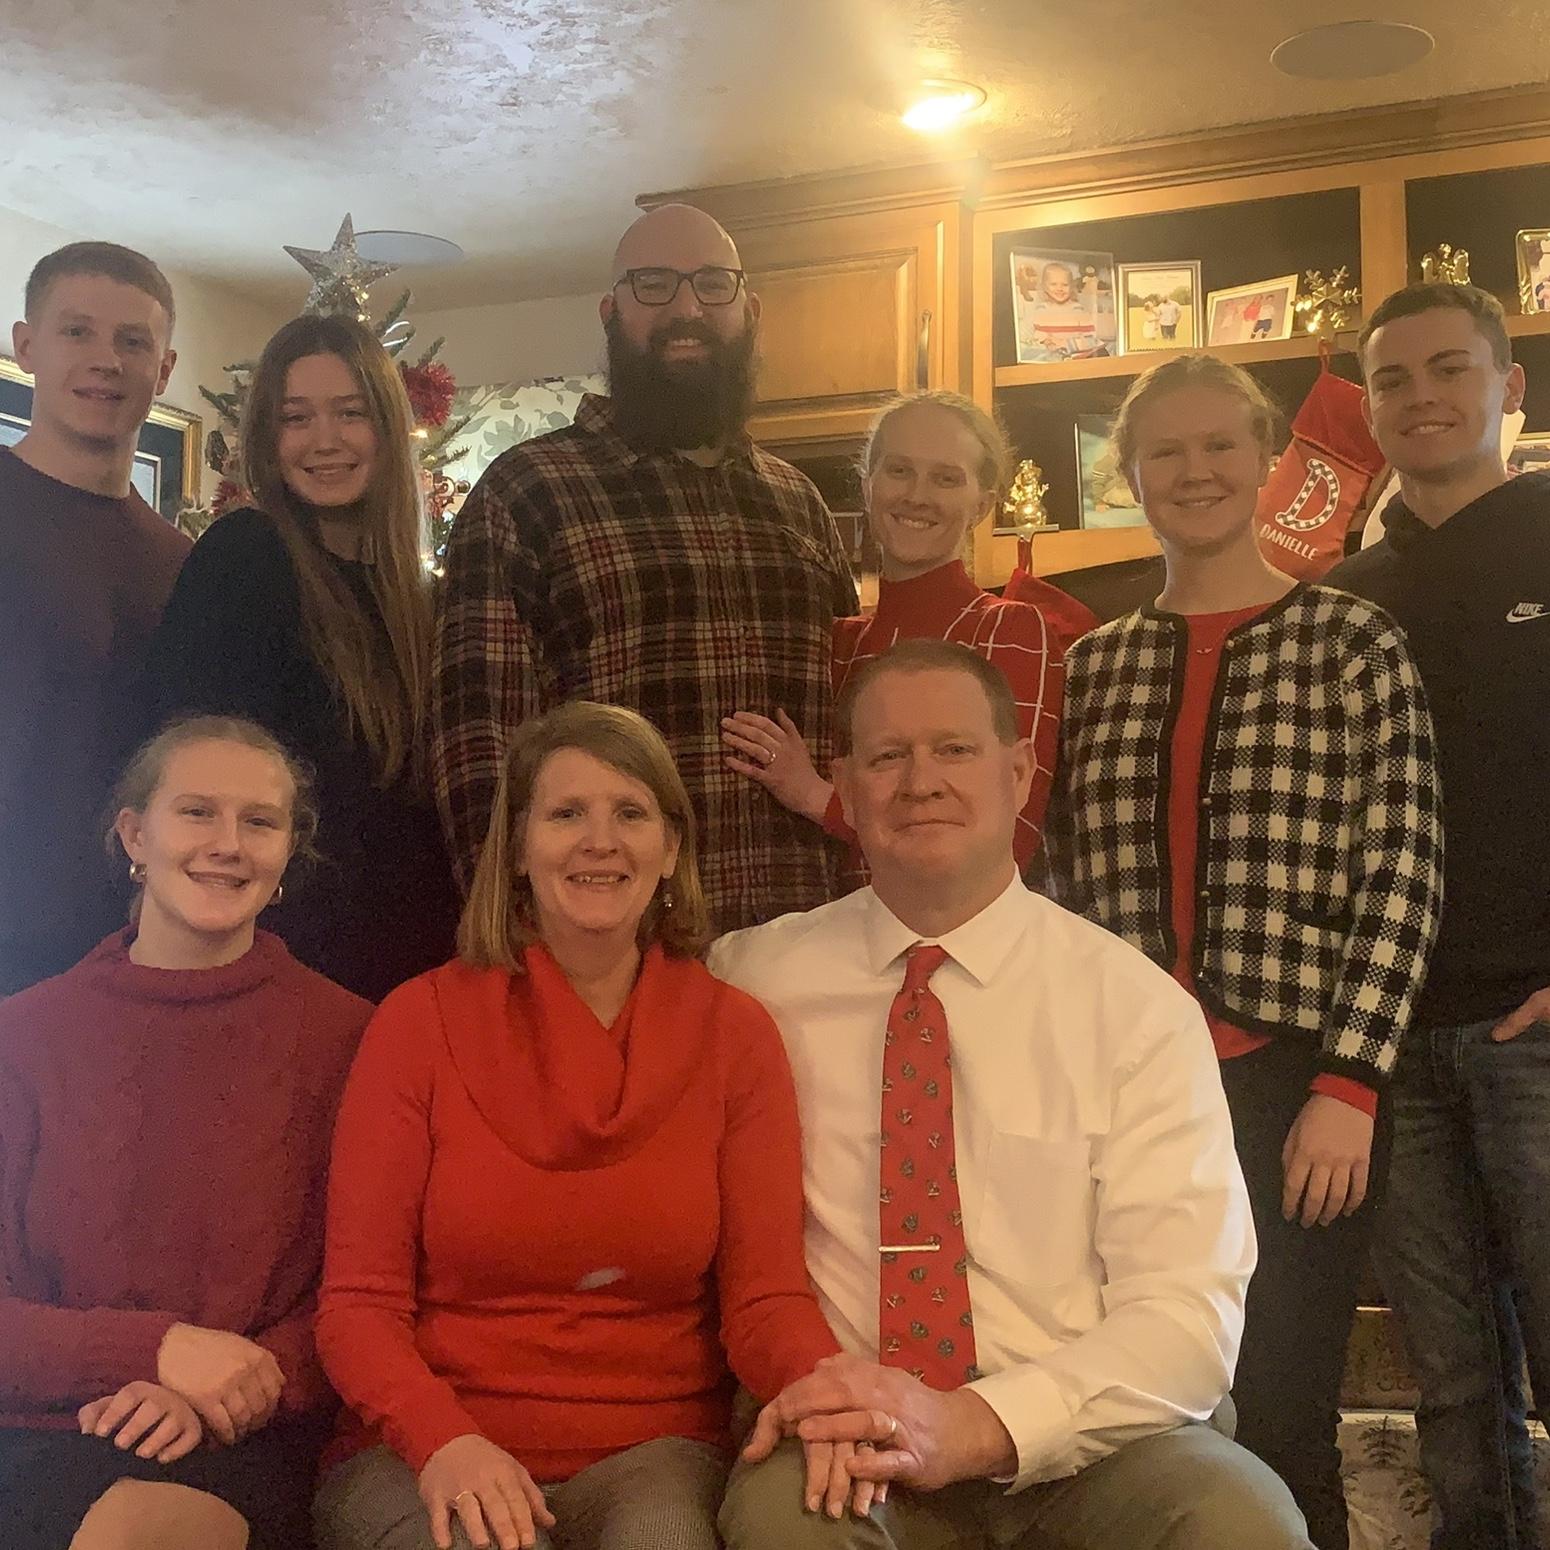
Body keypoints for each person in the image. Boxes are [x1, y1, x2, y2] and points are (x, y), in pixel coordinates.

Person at [710, 638, 1313, 1550]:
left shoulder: (1134, 1009)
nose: (921, 782)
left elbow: (1188, 1315)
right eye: (887, 756)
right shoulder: (752, 981)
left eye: (954, 749)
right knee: (785, 1523)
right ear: (846, 786)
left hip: (1088, 1445)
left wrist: (978, 1426)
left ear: (1020, 772)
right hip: (850, 1438)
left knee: (1242, 1522)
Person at [1036, 354, 1442, 1550]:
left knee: (1280, 1403)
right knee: (1127, 1410)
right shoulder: (1091, 664)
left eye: (1219, 443)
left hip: (1292, 1086)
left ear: (1266, 458)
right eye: (1164, 450)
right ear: (1129, 475)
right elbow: (1056, 879)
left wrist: (1349, 1081)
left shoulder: (1351, 639)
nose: (1194, 470)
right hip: (1122, 1092)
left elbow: (1402, 868)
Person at [315, 701, 846, 1550]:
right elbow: (357, 1307)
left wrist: (825, 1387)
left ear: (670, 850)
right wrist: (444, 1440)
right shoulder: (417, 1023)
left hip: (654, 1451)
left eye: (630, 813)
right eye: (566, 814)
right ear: (518, 849)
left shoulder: (736, 1034)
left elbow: (765, 1300)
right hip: (425, 1447)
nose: (601, 841)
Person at [430, 203, 858, 935]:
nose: (687, 308)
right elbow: (480, 756)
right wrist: (529, 944)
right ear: (611, 312)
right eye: (654, 284)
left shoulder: (800, 503)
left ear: (749, 310)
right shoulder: (525, 493)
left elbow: (852, 730)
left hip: (810, 941)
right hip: (618, 954)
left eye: (713, 284)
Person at [0, 716, 371, 1550]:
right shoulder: (21, 1038)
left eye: (260, 821)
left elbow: (365, 1297)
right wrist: (155, 1350)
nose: (227, 844)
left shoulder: (352, 1039)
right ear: (135, 834)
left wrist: (229, 1391)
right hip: (38, 1422)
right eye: (197, 812)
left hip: (244, 1436)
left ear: (288, 853)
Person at [1326, 281, 1550, 1550]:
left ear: (1507, 387)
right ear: (1367, 409)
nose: (1419, 397)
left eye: (1447, 368)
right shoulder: (1347, 595)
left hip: (1537, 1030)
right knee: (1451, 1379)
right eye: (1391, 378)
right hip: (1394, 1045)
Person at [145, 312, 458, 1002]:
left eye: (350, 413)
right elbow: (193, 781)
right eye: (296, 418)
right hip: (276, 970)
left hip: (415, 977)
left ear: (387, 428)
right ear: (268, 436)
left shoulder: (419, 602)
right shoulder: (245, 558)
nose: (325, 440)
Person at [720, 390, 1062, 879]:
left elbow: (1007, 833)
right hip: (841, 922)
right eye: (899, 470)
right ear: (868, 486)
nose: (917, 495)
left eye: (946, 478)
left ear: (983, 505)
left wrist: (813, 796)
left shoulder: (1010, 628)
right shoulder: (838, 642)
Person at [0, 241, 190, 996]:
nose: (106, 360)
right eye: (77, 331)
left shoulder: (181, 562)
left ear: (163, 371)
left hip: (119, 948)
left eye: (132, 341)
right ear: (27, 346)